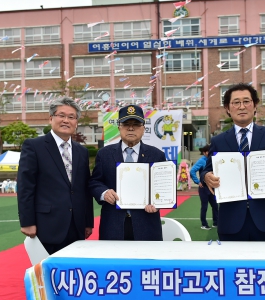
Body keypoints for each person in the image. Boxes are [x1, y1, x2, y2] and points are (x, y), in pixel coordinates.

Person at [201, 83, 265, 241]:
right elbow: (206, 170)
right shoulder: (219, 140)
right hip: (230, 221)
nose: (242, 106)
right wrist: (206, 175)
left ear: (255, 105)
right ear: (228, 108)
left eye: (246, 101)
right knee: (232, 265)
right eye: (236, 102)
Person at [17, 97, 94, 253]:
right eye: (61, 115)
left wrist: (88, 222)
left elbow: (84, 189)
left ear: (76, 122)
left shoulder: (82, 151)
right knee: (48, 275)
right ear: (51, 118)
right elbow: (26, 187)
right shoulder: (34, 146)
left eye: (71, 117)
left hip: (76, 226)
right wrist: (27, 222)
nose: (66, 120)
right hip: (46, 226)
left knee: (73, 274)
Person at [89, 104, 166, 240]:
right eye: (126, 124)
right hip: (113, 224)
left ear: (143, 128)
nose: (131, 128)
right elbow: (95, 182)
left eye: (136, 124)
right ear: (119, 127)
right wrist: (104, 192)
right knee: (114, 261)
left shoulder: (156, 155)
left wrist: (158, 203)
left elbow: (163, 187)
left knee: (146, 261)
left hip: (147, 224)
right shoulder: (104, 154)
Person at [190, 144, 219, 230]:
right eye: (208, 151)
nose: (210, 153)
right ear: (204, 152)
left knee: (215, 205)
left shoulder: (213, 159)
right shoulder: (202, 161)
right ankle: (204, 224)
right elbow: (192, 171)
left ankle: (216, 223)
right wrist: (197, 182)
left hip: (212, 187)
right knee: (204, 206)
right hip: (204, 188)